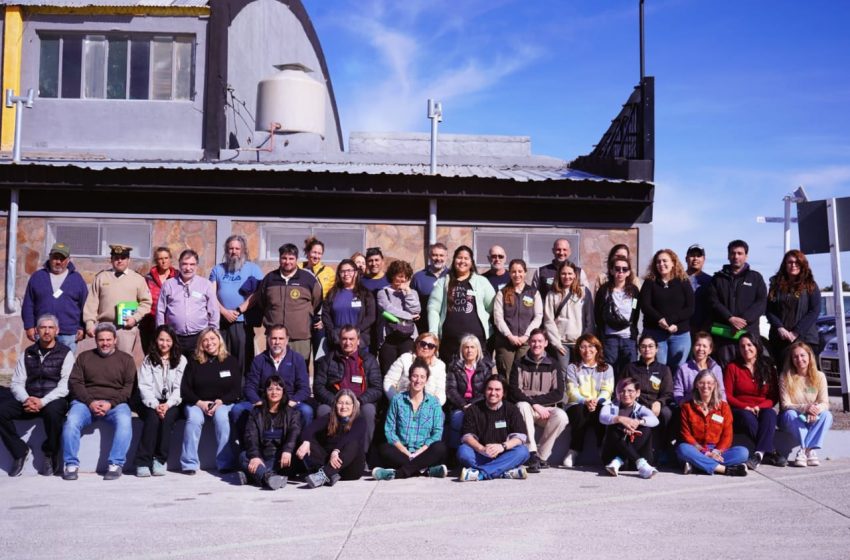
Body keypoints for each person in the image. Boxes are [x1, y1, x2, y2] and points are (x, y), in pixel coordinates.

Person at [1, 314, 74, 477]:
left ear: (57, 331)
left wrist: (42, 401)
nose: (46, 331)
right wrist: (26, 399)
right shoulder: (28, 353)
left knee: (54, 413)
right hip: (29, 398)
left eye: (50, 327)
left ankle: (50, 452)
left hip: (53, 399)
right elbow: (17, 382)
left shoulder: (66, 354)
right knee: (2, 411)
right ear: (37, 331)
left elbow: (65, 386)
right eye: (43, 327)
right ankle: (19, 451)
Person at [61, 322, 136, 481]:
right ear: (95, 340)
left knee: (124, 420)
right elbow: (75, 383)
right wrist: (90, 402)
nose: (105, 343)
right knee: (72, 421)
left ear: (115, 340)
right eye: (101, 340)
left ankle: (115, 464)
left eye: (109, 339)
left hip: (115, 404)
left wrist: (111, 403)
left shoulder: (126, 360)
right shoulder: (84, 357)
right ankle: (70, 464)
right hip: (85, 403)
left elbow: (128, 388)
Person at [180, 327, 242, 474]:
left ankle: (225, 462)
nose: (209, 343)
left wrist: (220, 401)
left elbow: (236, 390)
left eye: (213, 339)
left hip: (223, 403)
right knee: (194, 419)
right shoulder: (194, 362)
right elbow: (185, 389)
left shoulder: (230, 361)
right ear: (201, 344)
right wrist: (200, 403)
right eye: (205, 340)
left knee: (221, 417)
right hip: (197, 403)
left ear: (219, 340)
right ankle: (189, 463)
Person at [372, 360, 448, 480]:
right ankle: (425, 471)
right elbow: (389, 431)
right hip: (402, 452)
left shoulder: (434, 403)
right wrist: (406, 453)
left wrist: (418, 453)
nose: (418, 380)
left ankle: (397, 473)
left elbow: (437, 433)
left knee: (440, 447)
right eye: (415, 376)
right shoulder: (397, 400)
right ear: (409, 377)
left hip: (424, 451)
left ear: (426, 380)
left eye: (422, 377)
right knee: (384, 449)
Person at [231, 325, 312, 436]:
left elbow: (304, 388)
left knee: (306, 411)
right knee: (237, 409)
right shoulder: (259, 360)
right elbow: (250, 386)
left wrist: (291, 402)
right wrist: (258, 402)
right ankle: (245, 446)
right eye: (274, 338)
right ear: (268, 339)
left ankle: (300, 446)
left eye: (281, 338)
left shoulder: (297, 359)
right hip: (263, 401)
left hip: (289, 402)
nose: (277, 342)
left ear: (287, 340)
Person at [312, 326, 382, 451]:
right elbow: (318, 386)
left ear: (358, 340)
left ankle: (364, 454)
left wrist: (360, 401)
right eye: (344, 339)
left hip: (360, 403)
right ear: (339, 340)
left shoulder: (369, 360)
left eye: (351, 339)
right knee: (323, 410)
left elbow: (377, 388)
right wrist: (335, 401)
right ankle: (327, 453)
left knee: (369, 411)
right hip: (335, 402)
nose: (347, 342)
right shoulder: (329, 359)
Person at [508, 329, 568, 473]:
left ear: (546, 343)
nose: (536, 344)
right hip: (527, 410)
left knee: (561, 416)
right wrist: (534, 404)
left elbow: (558, 393)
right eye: (533, 341)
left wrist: (538, 404)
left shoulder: (554, 364)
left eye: (540, 341)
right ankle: (531, 452)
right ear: (529, 343)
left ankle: (541, 456)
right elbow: (514, 391)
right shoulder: (519, 363)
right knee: (522, 405)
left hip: (546, 411)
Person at [723, 333, 786, 469]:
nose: (746, 349)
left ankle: (758, 454)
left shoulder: (768, 366)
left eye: (749, 345)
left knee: (770, 414)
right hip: (740, 410)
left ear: (757, 346)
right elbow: (727, 395)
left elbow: (773, 396)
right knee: (747, 417)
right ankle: (771, 451)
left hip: (762, 407)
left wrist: (759, 406)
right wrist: (744, 406)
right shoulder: (732, 367)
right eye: (742, 346)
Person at [83, 244, 152, 361]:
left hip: (126, 329)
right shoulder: (102, 277)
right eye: (116, 257)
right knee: (103, 361)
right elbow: (92, 302)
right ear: (111, 259)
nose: (119, 260)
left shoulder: (137, 279)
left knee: (124, 361)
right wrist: (89, 323)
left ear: (128, 260)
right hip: (104, 326)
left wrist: (135, 318)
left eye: (123, 258)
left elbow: (146, 303)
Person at [428, 245, 496, 362]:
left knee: (477, 377)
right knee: (451, 378)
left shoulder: (482, 282)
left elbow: (491, 307)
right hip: (450, 342)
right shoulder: (443, 282)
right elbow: (433, 308)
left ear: (471, 262)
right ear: (454, 260)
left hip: (476, 342)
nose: (462, 261)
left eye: (466, 258)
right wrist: (433, 334)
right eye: (459, 258)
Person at [135, 324, 186, 477]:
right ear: (156, 341)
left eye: (168, 340)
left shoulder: (181, 360)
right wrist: (156, 405)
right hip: (151, 401)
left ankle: (160, 459)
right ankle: (143, 461)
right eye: (161, 340)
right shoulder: (149, 359)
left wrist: (168, 404)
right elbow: (144, 386)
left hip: (173, 401)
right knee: (152, 418)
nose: (164, 344)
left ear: (173, 342)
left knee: (168, 418)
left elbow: (179, 388)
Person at [209, 235, 264, 375]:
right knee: (222, 358)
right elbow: (210, 293)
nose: (234, 251)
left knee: (243, 360)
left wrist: (241, 309)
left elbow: (258, 293)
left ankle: (242, 391)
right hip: (222, 321)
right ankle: (224, 390)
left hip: (242, 323)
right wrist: (224, 311)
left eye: (237, 248)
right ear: (226, 250)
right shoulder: (217, 269)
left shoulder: (253, 269)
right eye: (231, 248)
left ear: (243, 250)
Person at [457, 375, 530, 481]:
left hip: (504, 453)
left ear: (503, 392)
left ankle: (481, 473)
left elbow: (520, 437)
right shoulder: (473, 409)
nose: (493, 393)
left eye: (497, 390)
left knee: (523, 451)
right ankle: (503, 471)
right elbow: (467, 436)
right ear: (485, 390)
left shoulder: (512, 409)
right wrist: (481, 449)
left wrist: (502, 447)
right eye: (490, 389)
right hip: (481, 454)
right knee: (463, 451)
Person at [257, 243, 322, 361]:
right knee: (275, 371)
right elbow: (262, 303)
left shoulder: (308, 279)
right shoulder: (269, 279)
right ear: (279, 258)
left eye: (291, 258)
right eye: (284, 258)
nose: (287, 262)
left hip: (300, 338)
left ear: (296, 259)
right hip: (275, 338)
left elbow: (317, 302)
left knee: (299, 372)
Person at [677, 370, 748, 476]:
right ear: (696, 385)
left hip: (718, 451)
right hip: (697, 450)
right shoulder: (687, 407)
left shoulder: (723, 407)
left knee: (743, 452)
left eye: (709, 383)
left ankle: (698, 466)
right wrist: (704, 452)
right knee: (682, 449)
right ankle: (725, 469)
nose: (705, 386)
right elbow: (686, 435)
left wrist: (716, 452)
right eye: (702, 383)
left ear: (715, 385)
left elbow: (727, 435)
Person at [707, 240, 767, 366]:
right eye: (733, 253)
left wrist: (742, 321)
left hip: (749, 336)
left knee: (750, 370)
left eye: (740, 253)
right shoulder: (717, 278)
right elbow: (713, 301)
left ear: (746, 256)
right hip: (724, 336)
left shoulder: (755, 278)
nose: (736, 256)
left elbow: (761, 302)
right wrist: (730, 318)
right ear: (728, 255)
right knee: (726, 371)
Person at [236, 376, 301, 490]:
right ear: (265, 392)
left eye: (278, 389)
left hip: (281, 457)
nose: (274, 392)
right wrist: (255, 456)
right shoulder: (256, 412)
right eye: (270, 389)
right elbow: (250, 436)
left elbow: (294, 433)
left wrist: (287, 450)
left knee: (297, 458)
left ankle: (253, 476)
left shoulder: (292, 413)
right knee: (244, 456)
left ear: (283, 392)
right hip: (263, 455)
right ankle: (269, 476)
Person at [21, 242, 87, 353]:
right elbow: (28, 304)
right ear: (50, 258)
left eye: (62, 258)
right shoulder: (37, 277)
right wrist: (29, 326)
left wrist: (82, 327)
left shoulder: (77, 279)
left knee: (66, 367)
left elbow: (85, 305)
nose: (58, 262)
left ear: (68, 260)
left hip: (69, 333)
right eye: (55, 258)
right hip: (43, 332)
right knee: (43, 366)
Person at [296, 389, 367, 488]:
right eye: (340, 403)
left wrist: (336, 450)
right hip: (330, 463)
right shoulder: (330, 418)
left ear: (353, 406)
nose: (343, 407)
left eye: (347, 403)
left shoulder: (360, 421)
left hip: (350, 469)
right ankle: (330, 475)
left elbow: (349, 438)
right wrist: (306, 441)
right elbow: (309, 429)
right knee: (308, 439)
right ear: (335, 404)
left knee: (353, 443)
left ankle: (324, 475)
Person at [156, 249, 219, 358]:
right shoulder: (168, 285)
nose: (188, 268)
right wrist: (162, 333)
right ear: (179, 264)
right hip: (174, 337)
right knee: (176, 370)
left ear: (196, 266)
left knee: (198, 370)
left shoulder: (205, 285)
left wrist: (213, 333)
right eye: (184, 264)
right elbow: (160, 310)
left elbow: (213, 311)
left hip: (199, 337)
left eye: (192, 264)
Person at [639, 248, 694, 372]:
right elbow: (645, 305)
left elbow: (690, 308)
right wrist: (660, 320)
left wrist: (671, 322)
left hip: (680, 334)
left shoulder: (683, 281)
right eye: (658, 262)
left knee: (678, 368)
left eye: (665, 261)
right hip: (655, 333)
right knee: (657, 368)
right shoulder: (649, 282)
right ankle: (657, 392)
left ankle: (675, 391)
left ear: (673, 262)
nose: (661, 264)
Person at [563, 334, 614, 468]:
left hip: (599, 402)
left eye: (591, 346)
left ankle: (602, 449)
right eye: (583, 347)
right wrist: (585, 401)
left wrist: (596, 401)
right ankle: (574, 450)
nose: (587, 350)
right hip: (578, 403)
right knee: (580, 412)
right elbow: (571, 391)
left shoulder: (607, 368)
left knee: (602, 412)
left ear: (597, 349)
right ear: (578, 350)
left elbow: (607, 390)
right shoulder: (573, 368)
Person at [779, 342, 832, 467]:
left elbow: (825, 403)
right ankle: (809, 450)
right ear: (791, 359)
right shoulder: (785, 376)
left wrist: (815, 410)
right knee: (790, 413)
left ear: (809, 356)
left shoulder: (819, 376)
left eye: (802, 355)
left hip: (812, 417)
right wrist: (805, 408)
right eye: (795, 357)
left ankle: (805, 451)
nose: (799, 359)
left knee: (827, 415)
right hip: (792, 418)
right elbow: (786, 404)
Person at [622, 334, 675, 458]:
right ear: (639, 349)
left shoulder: (663, 369)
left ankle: (663, 448)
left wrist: (659, 402)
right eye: (643, 346)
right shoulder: (631, 368)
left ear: (657, 349)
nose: (647, 349)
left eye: (651, 346)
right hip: (635, 404)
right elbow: (621, 388)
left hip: (655, 405)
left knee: (667, 413)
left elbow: (668, 393)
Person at [766, 250, 821, 362]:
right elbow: (769, 310)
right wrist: (779, 327)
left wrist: (796, 332)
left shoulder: (810, 285)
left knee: (806, 377)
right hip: (780, 339)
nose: (793, 265)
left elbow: (814, 310)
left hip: (805, 339)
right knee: (784, 376)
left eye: (797, 262)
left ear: (802, 264)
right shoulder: (775, 285)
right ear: (785, 264)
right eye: (790, 262)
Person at [599, 377, 660, 478]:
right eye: (622, 391)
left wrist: (638, 422)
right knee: (613, 426)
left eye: (630, 391)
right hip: (611, 458)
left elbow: (655, 420)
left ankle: (621, 460)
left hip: (630, 461)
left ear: (638, 393)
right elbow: (602, 417)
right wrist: (619, 419)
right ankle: (637, 462)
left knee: (646, 427)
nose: (626, 394)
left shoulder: (640, 408)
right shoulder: (610, 407)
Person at [493, 258, 543, 377]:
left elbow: (538, 316)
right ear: (509, 273)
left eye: (520, 271)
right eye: (513, 272)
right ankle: (506, 396)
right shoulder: (502, 293)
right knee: (507, 375)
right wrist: (510, 336)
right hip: (506, 342)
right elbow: (498, 318)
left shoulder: (533, 292)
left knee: (523, 375)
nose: (517, 275)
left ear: (525, 272)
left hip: (526, 342)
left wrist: (526, 336)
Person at [543, 260, 595, 373]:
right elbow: (548, 320)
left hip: (579, 343)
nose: (567, 276)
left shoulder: (583, 292)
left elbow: (589, 319)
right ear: (559, 275)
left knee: (580, 373)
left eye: (570, 273)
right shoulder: (552, 294)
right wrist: (556, 344)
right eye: (564, 273)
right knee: (563, 374)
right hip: (561, 344)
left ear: (575, 275)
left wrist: (584, 342)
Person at [445, 334, 496, 448]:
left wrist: (472, 405)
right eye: (466, 347)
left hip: (479, 404)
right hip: (459, 405)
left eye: (473, 347)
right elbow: (450, 390)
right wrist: (463, 405)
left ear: (478, 350)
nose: (469, 350)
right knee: (457, 419)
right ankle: (454, 451)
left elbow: (487, 390)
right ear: (462, 350)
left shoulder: (485, 367)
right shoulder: (454, 366)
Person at [594, 255, 640, 377]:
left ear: (628, 272)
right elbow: (598, 314)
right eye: (617, 268)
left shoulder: (634, 291)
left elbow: (635, 312)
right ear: (611, 270)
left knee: (630, 371)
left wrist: (632, 329)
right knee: (609, 372)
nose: (620, 272)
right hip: (610, 338)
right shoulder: (604, 291)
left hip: (628, 338)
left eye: (624, 269)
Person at [376, 259, 421, 373]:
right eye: (400, 276)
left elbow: (416, 309)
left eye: (406, 277)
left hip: (408, 337)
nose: (403, 280)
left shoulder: (412, 292)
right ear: (392, 275)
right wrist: (410, 316)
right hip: (389, 338)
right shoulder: (383, 292)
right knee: (388, 371)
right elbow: (388, 309)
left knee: (407, 372)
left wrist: (408, 293)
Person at [322, 258, 376, 352]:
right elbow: (326, 315)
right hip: (337, 342)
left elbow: (371, 317)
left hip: (359, 342)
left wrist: (355, 332)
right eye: (342, 271)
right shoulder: (332, 293)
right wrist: (332, 333)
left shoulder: (365, 294)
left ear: (355, 273)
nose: (346, 274)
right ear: (339, 274)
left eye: (349, 270)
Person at [384, 332, 447, 405]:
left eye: (430, 346)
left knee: (441, 415)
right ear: (417, 344)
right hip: (403, 402)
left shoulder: (440, 365)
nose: (426, 347)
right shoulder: (405, 358)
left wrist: (433, 406)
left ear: (435, 350)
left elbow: (440, 391)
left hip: (428, 405)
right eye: (423, 343)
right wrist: (397, 400)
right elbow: (389, 381)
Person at [301, 236, 335, 359]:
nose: (316, 256)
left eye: (320, 253)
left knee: (320, 358)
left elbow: (332, 299)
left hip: (319, 321)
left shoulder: (329, 272)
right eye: (314, 252)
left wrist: (324, 320)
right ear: (308, 252)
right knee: (301, 357)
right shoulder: (298, 268)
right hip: (301, 319)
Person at [673, 331, 726, 405]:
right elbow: (678, 391)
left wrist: (723, 407)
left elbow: (721, 391)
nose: (701, 349)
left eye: (704, 346)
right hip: (690, 406)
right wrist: (682, 402)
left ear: (710, 350)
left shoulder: (716, 369)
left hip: (712, 406)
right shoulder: (683, 368)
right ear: (693, 347)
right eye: (698, 345)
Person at [141, 247, 178, 353]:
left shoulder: (178, 277)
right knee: (152, 355)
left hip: (173, 324)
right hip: (151, 324)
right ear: (156, 260)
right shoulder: (148, 279)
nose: (163, 261)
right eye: (160, 258)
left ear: (170, 259)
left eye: (166, 258)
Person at [410, 242, 449, 333]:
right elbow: (411, 300)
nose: (438, 258)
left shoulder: (452, 276)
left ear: (446, 257)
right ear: (429, 256)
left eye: (441, 255)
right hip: (424, 327)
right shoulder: (418, 277)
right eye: (435, 255)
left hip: (448, 327)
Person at [685, 244, 712, 335]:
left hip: (704, 330)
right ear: (686, 258)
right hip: (681, 330)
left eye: (698, 256)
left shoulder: (711, 281)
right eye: (692, 255)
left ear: (704, 259)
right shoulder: (677, 279)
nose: (695, 258)